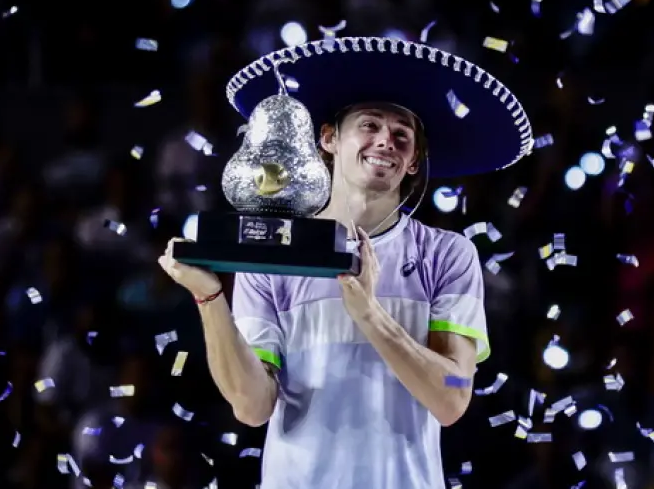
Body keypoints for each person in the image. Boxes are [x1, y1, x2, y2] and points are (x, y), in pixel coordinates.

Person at [158, 36, 533, 489]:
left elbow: (453, 398)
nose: (385, 142)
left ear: (414, 161)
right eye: (369, 125)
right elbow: (252, 407)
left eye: (402, 135)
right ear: (329, 138)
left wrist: (371, 315)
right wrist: (209, 296)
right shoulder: (273, 255)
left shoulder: (448, 254)